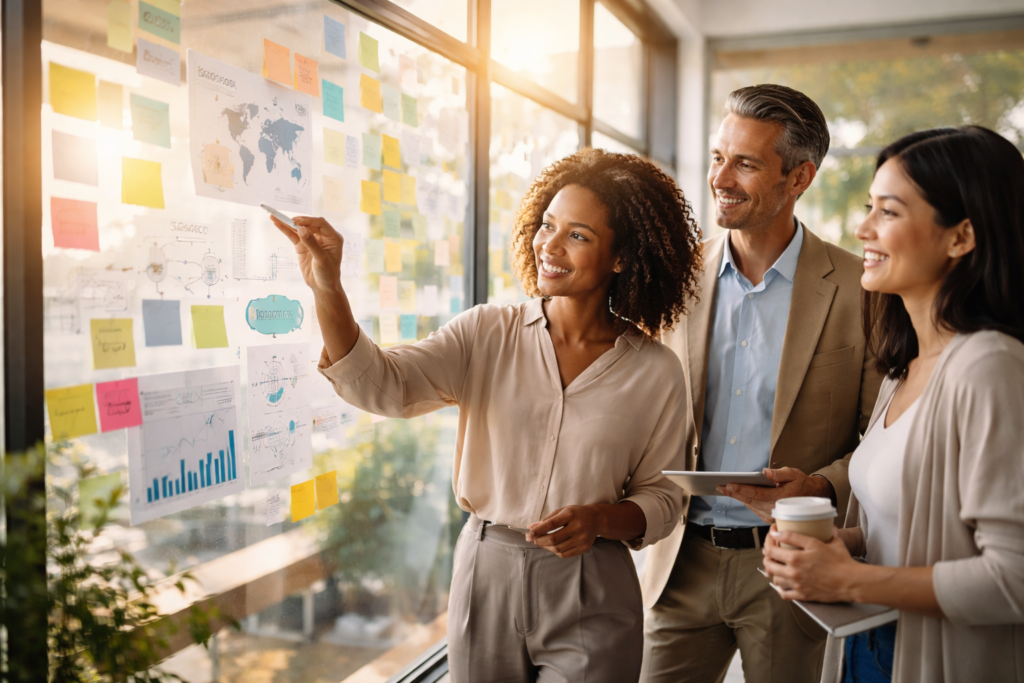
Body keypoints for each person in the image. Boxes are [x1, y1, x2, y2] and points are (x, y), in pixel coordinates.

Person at [271, 148, 703, 682]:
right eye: (548, 225)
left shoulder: (655, 371)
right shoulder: (485, 333)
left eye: (578, 235)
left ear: (620, 257)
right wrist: (328, 288)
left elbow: (664, 498)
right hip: (486, 570)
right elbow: (384, 385)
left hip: (592, 580)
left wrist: (600, 521)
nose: (550, 244)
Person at [763, 126, 1024, 683]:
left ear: (961, 237)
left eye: (889, 211)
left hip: (935, 656)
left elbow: (1013, 578)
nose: (863, 228)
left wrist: (846, 580)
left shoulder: (990, 368)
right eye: (868, 208)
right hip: (870, 648)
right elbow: (905, 529)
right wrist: (830, 544)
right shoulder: (902, 369)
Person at [640, 83, 883, 683]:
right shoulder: (674, 279)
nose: (721, 177)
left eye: (745, 164)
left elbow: (884, 435)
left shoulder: (862, 289)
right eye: (719, 157)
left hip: (790, 564)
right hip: (678, 563)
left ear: (799, 178)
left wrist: (822, 485)